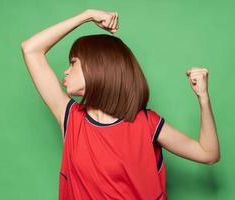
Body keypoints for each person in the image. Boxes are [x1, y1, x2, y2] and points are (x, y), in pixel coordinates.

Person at [21, 8, 220, 200]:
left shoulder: (146, 123)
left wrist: (203, 97)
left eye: (73, 62)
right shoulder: (71, 119)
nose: (66, 71)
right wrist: (87, 15)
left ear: (97, 66)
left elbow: (208, 154)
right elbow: (31, 49)